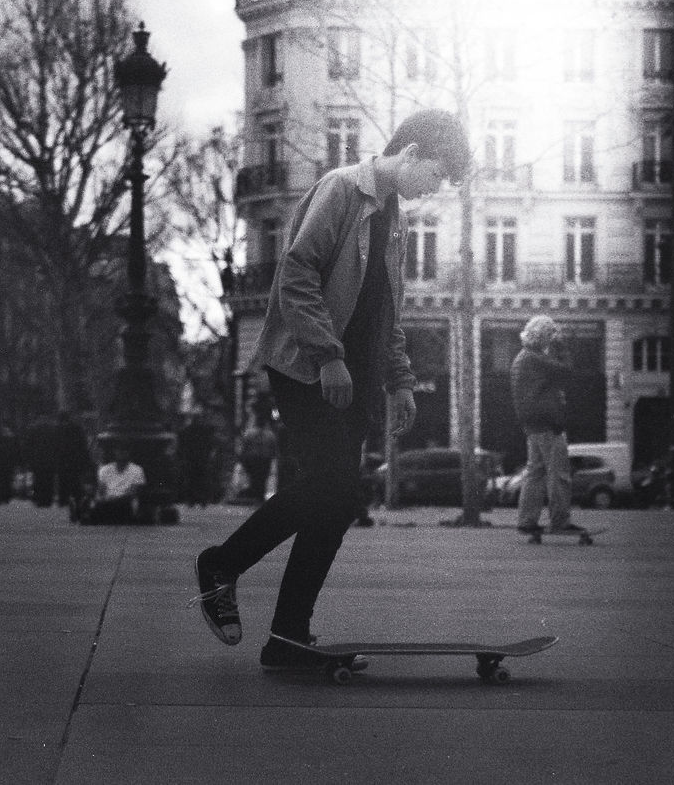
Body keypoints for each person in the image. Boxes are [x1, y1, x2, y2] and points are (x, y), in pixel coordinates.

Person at [191, 109, 468, 670]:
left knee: (338, 501)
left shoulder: (395, 220)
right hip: (305, 367)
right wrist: (329, 356)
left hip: (354, 379)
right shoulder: (342, 191)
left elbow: (387, 311)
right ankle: (224, 565)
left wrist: (402, 382)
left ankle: (287, 637)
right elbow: (296, 275)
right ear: (411, 152)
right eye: (435, 176)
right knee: (330, 485)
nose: (432, 190)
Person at [510, 315, 583, 536]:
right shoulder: (535, 359)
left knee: (535, 471)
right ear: (544, 337)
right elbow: (567, 371)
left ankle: (527, 520)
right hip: (548, 422)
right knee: (558, 472)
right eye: (551, 336)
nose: (553, 340)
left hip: (532, 423)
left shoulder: (522, 358)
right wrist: (561, 347)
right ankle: (560, 521)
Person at [90, 443, 147, 524]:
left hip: (125, 503)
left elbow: (133, 493)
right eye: (119, 450)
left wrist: (115, 499)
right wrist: (99, 500)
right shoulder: (104, 470)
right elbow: (100, 491)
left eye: (125, 450)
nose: (121, 453)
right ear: (114, 452)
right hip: (106, 503)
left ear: (128, 452)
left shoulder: (137, 470)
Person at [238, 414, 278, 505]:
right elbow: (274, 449)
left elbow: (244, 447)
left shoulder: (249, 433)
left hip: (253, 459)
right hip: (264, 459)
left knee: (254, 477)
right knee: (262, 478)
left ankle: (255, 495)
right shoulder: (270, 434)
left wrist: (242, 459)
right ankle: (259, 496)